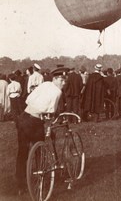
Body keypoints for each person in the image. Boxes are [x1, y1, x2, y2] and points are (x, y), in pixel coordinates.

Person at [15, 67, 69, 195]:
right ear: (55, 79)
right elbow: (51, 111)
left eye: (65, 80)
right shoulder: (57, 91)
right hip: (35, 122)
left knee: (22, 152)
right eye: (61, 80)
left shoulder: (45, 84)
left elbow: (28, 99)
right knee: (39, 150)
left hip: (23, 117)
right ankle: (41, 180)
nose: (64, 83)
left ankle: (20, 185)